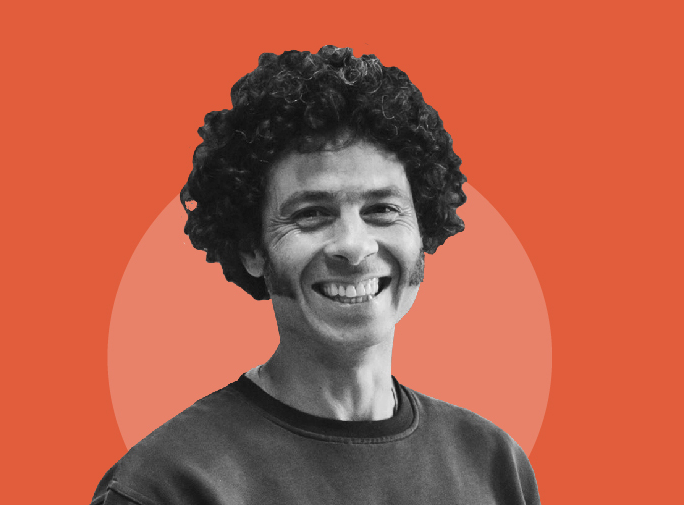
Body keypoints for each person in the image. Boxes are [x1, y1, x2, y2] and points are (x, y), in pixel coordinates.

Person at [91, 46, 540, 505]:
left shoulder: (495, 466)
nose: (355, 246)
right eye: (312, 214)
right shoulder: (165, 485)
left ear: (422, 228)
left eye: (382, 209)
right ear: (252, 248)